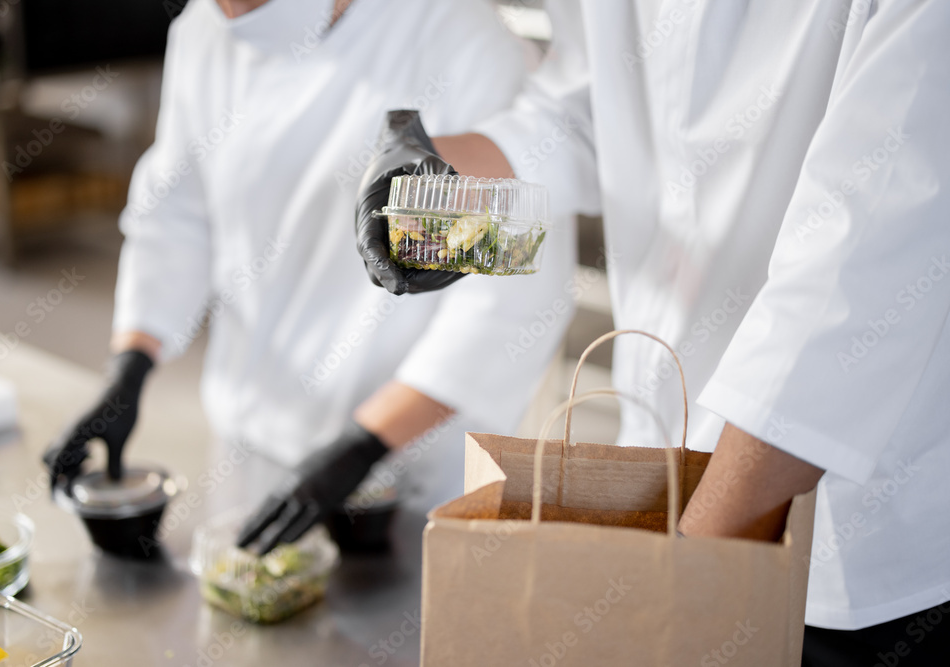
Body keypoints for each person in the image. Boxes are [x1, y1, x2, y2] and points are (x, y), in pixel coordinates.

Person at [354, 0, 950, 663]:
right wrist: (442, 172)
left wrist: (677, 588)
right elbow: (586, 109)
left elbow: (856, 276)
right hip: (660, 490)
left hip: (836, 536)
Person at [44, 0, 574, 555]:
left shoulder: (460, 38)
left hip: (403, 473)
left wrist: (365, 444)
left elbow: (511, 297)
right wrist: (131, 365)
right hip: (251, 435)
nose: (226, 11)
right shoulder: (202, 31)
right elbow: (177, 213)